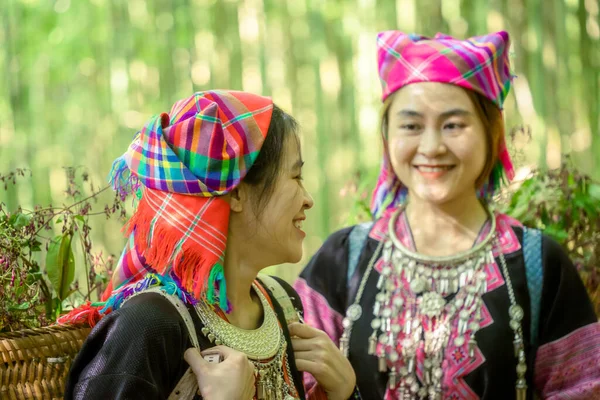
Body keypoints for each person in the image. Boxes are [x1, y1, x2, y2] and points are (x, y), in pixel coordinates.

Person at [295, 31, 600, 399]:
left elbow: (583, 390)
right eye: (410, 126)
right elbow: (291, 384)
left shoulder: (538, 264)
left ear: (492, 132)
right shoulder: (341, 260)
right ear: (386, 136)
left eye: (453, 125)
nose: (432, 146)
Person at [62, 90, 356, 400]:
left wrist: (343, 392)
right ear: (237, 192)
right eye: (295, 176)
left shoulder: (283, 303)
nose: (308, 199)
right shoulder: (148, 325)